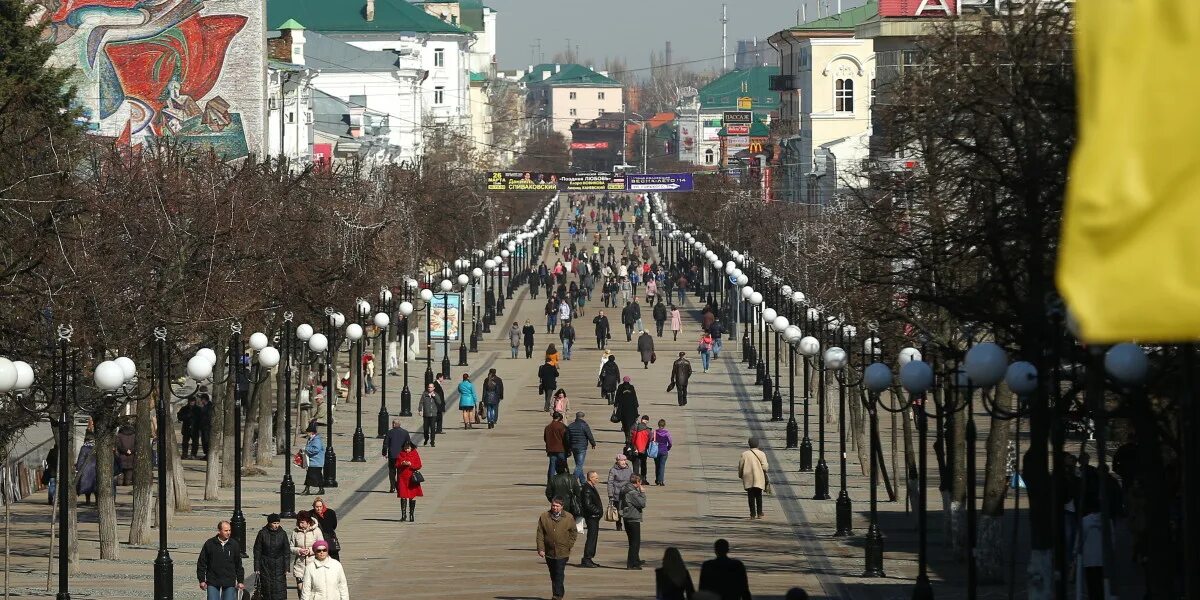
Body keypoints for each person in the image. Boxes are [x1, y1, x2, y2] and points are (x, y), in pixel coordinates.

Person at [536, 497, 579, 600]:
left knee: (559, 572)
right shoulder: (544, 516)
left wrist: (569, 544)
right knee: (553, 574)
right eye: (553, 505)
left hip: (562, 552)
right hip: (549, 551)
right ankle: (558, 591)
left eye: (557, 506)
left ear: (562, 507)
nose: (554, 507)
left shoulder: (568, 517)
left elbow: (574, 532)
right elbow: (540, 534)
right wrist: (540, 548)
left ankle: (557, 595)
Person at [197, 520, 245, 600]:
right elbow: (202, 563)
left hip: (229, 581)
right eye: (226, 530)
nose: (228, 533)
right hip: (213, 580)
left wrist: (240, 581)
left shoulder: (234, 544)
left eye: (229, 530)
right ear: (219, 531)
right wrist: (202, 580)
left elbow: (238, 564)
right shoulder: (210, 544)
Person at [252, 514, 290, 600]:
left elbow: (286, 551)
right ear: (269, 523)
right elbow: (257, 551)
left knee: (279, 590)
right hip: (265, 565)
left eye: (278, 523)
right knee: (267, 590)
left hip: (279, 566)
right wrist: (257, 567)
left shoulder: (282, 534)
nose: (276, 525)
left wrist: (287, 567)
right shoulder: (262, 533)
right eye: (274, 523)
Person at [619, 474, 647, 570]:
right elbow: (642, 504)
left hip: (627, 517)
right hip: (633, 517)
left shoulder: (624, 488)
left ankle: (636, 559)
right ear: (638, 482)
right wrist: (642, 493)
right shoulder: (632, 493)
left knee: (632, 541)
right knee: (635, 542)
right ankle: (631, 563)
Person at [578, 471, 604, 567]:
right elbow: (587, 505)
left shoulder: (591, 487)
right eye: (596, 478)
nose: (597, 480)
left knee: (593, 538)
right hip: (591, 517)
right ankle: (587, 558)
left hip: (594, 517)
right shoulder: (587, 489)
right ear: (590, 478)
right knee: (591, 538)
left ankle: (589, 558)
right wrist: (598, 511)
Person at [290, 512, 323, 591]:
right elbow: (291, 547)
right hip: (299, 566)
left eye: (302, 522)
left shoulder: (316, 531)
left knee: (312, 590)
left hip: (313, 564)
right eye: (299, 522)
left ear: (308, 522)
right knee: (301, 589)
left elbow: (321, 545)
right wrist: (299, 550)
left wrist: (310, 551)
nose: (300, 524)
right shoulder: (295, 532)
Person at [738, 438, 769, 520]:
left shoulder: (744, 454)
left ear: (749, 444)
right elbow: (765, 467)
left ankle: (752, 514)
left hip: (748, 477)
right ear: (757, 444)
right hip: (759, 477)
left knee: (750, 496)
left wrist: (740, 475)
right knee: (759, 495)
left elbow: (741, 466)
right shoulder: (762, 454)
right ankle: (759, 513)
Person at [395, 439, 423, 522]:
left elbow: (419, 465)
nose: (406, 449)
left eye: (408, 448)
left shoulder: (415, 453)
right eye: (405, 448)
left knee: (412, 496)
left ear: (411, 447)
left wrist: (411, 464)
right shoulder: (400, 454)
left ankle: (411, 515)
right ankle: (403, 515)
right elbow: (396, 464)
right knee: (403, 495)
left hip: (412, 478)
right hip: (402, 478)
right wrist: (402, 463)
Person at [383, 419, 413, 493]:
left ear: (398, 424)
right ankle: (398, 487)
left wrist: (384, 453)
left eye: (394, 423)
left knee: (392, 472)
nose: (393, 425)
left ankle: (393, 487)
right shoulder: (405, 433)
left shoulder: (389, 432)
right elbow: (408, 444)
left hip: (392, 455)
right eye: (393, 423)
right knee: (399, 472)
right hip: (401, 455)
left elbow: (385, 444)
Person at [567, 412, 597, 484]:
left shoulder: (570, 426)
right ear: (583, 417)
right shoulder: (584, 425)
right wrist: (593, 443)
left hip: (573, 446)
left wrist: (568, 447)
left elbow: (567, 437)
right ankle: (573, 481)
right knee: (579, 465)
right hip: (582, 447)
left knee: (578, 464)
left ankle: (583, 481)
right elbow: (589, 435)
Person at [607, 455, 633, 531]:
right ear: (617, 461)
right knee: (618, 511)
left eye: (624, 460)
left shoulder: (629, 469)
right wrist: (610, 494)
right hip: (617, 494)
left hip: (627, 493)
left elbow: (632, 481)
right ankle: (619, 525)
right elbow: (610, 483)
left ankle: (627, 525)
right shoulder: (613, 470)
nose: (623, 462)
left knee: (627, 511)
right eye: (621, 460)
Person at [544, 412, 569, 482]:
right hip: (561, 449)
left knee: (552, 465)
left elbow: (545, 439)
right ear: (559, 418)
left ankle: (550, 481)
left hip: (551, 449)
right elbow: (566, 439)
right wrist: (568, 449)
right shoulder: (562, 426)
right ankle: (565, 480)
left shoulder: (548, 427)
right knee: (563, 465)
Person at [303, 424, 325, 496]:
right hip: (313, 461)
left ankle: (308, 489)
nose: (307, 434)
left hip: (316, 461)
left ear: (312, 432)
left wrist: (306, 449)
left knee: (312, 476)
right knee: (314, 476)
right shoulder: (311, 439)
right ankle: (310, 489)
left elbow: (316, 449)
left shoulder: (316, 440)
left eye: (308, 432)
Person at [630, 415, 653, 480]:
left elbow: (630, 437)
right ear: (647, 421)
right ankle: (643, 479)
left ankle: (635, 479)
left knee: (635, 465)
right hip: (643, 449)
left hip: (635, 449)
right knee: (643, 465)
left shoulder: (633, 427)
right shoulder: (648, 430)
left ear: (641, 420)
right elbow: (650, 440)